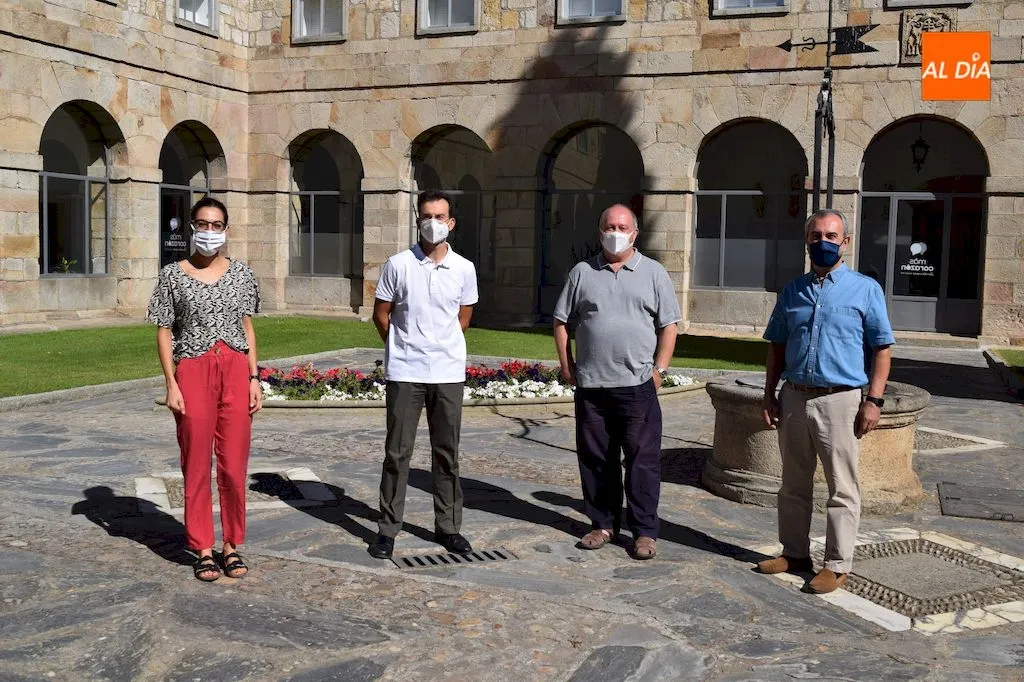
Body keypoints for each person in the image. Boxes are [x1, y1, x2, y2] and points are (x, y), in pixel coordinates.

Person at [757, 208, 894, 594]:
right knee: (793, 484)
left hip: (841, 400)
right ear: (807, 241)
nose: (823, 242)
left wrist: (875, 401)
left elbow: (882, 349)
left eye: (831, 236)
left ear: (845, 242)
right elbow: (777, 347)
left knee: (842, 487)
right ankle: (794, 553)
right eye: (816, 236)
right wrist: (769, 394)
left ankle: (836, 564)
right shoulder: (792, 291)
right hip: (796, 397)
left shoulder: (865, 289)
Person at [552, 204, 681, 560]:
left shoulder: (653, 273)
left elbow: (669, 325)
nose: (616, 231)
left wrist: (660, 371)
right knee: (596, 459)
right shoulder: (582, 272)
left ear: (635, 233)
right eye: (609, 225)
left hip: (637, 386)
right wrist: (567, 365)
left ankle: (644, 532)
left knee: (642, 461)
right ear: (599, 232)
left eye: (622, 226)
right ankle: (602, 523)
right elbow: (561, 320)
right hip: (592, 387)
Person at [147, 197, 262, 582]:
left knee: (233, 465)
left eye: (216, 225)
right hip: (193, 369)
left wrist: (253, 377)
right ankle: (203, 548)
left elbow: (246, 327)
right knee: (196, 462)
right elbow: (164, 330)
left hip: (234, 368)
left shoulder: (242, 274)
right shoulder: (172, 275)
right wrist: (171, 382)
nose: (209, 231)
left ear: (226, 230)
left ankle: (232, 545)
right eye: (202, 224)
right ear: (192, 227)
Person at [368, 190, 479, 560]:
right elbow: (381, 314)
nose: (433, 223)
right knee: (397, 453)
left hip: (447, 372)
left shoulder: (464, 268)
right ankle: (387, 529)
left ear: (451, 223)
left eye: (440, 216)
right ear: (417, 220)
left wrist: (440, 345)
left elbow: (463, 317)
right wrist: (401, 346)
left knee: (447, 453)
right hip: (405, 372)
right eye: (426, 216)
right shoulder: (398, 264)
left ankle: (448, 527)